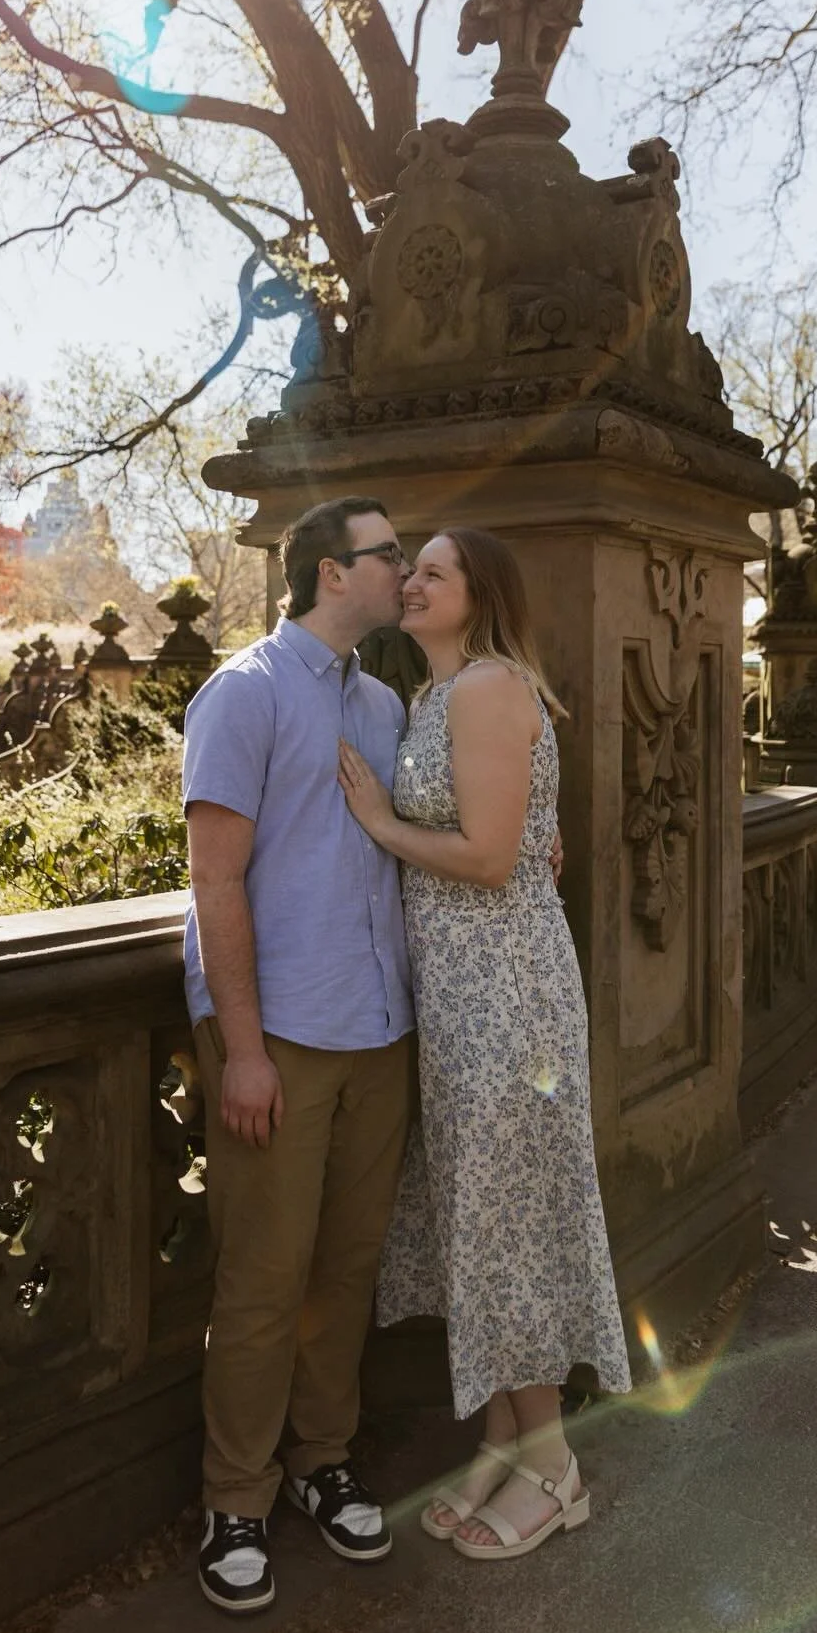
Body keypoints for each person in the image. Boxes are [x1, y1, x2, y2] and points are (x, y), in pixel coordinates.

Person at [338, 527, 630, 1563]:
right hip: (461, 998)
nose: (410, 581)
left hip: (509, 996)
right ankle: (505, 1440)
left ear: (481, 593)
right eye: (406, 568)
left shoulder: (490, 688)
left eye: (433, 571)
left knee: (512, 1212)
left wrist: (379, 821)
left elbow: (494, 854)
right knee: (481, 1213)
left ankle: (555, 1464)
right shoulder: (430, 696)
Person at [182, 495, 416, 1614]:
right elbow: (215, 879)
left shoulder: (383, 701)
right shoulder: (244, 690)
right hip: (278, 1032)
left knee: (347, 1266)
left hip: (380, 1027)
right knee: (264, 1279)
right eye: (390, 556)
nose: (405, 571)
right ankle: (236, 1498)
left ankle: (325, 1461)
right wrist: (242, 1050)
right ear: (333, 572)